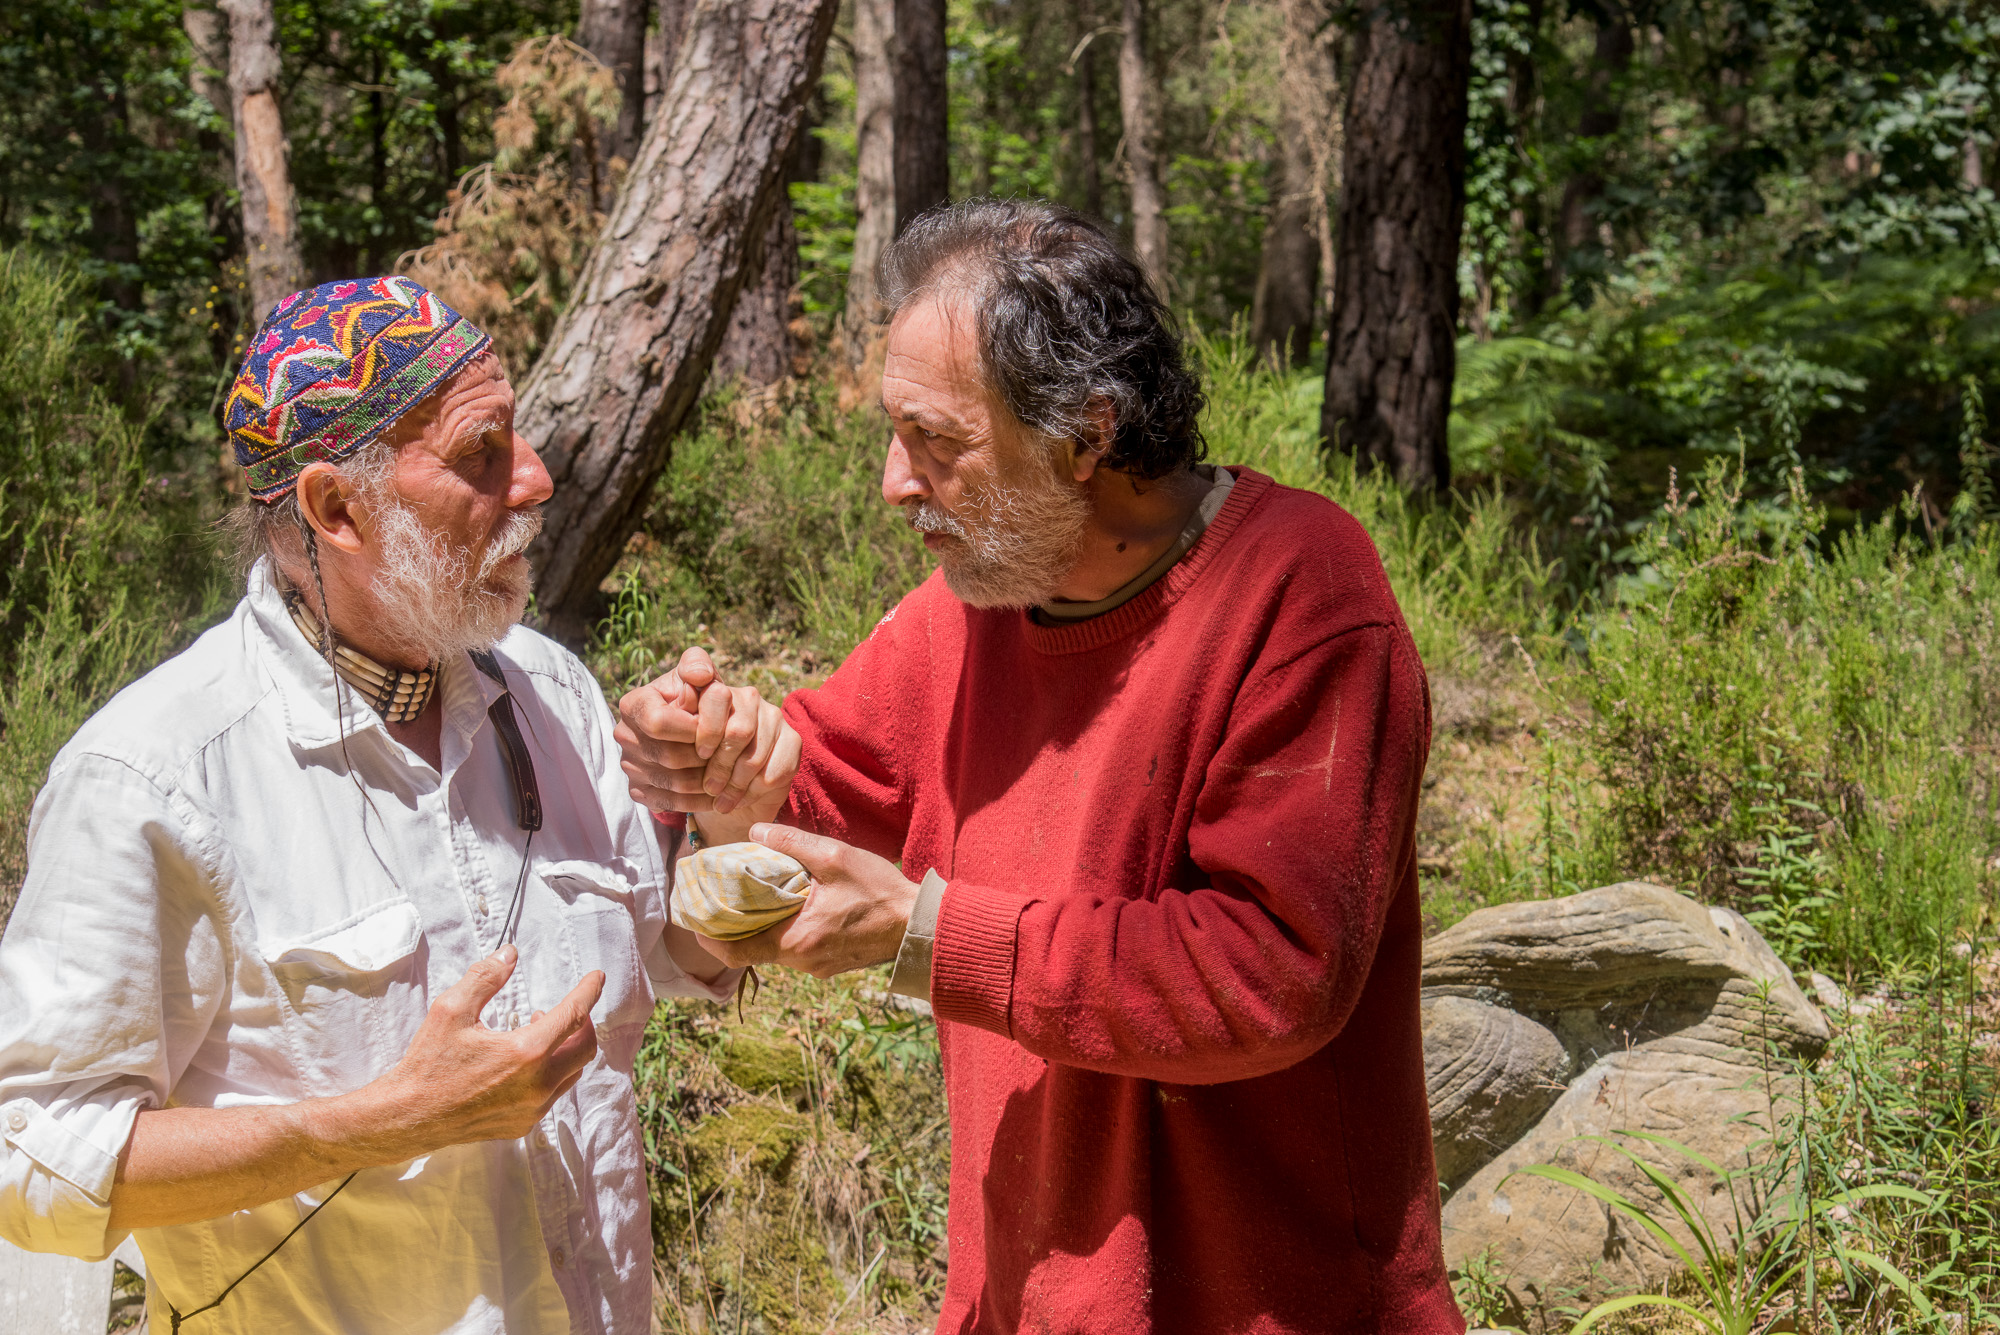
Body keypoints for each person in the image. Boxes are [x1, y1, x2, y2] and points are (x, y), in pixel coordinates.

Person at [617, 201, 1465, 1333]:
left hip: (1264, 1299)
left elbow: (1271, 972)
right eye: (892, 432)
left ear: (1085, 435)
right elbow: (813, 790)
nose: (892, 481)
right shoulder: (968, 612)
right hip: (1028, 1294)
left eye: (939, 443)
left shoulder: (1295, 593)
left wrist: (928, 935)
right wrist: (719, 764)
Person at [0, 277, 792, 1335]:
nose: (539, 480)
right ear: (337, 510)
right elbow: (31, 1163)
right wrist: (369, 1126)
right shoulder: (153, 778)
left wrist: (728, 821)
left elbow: (669, 957)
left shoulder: (548, 690)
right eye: (481, 454)